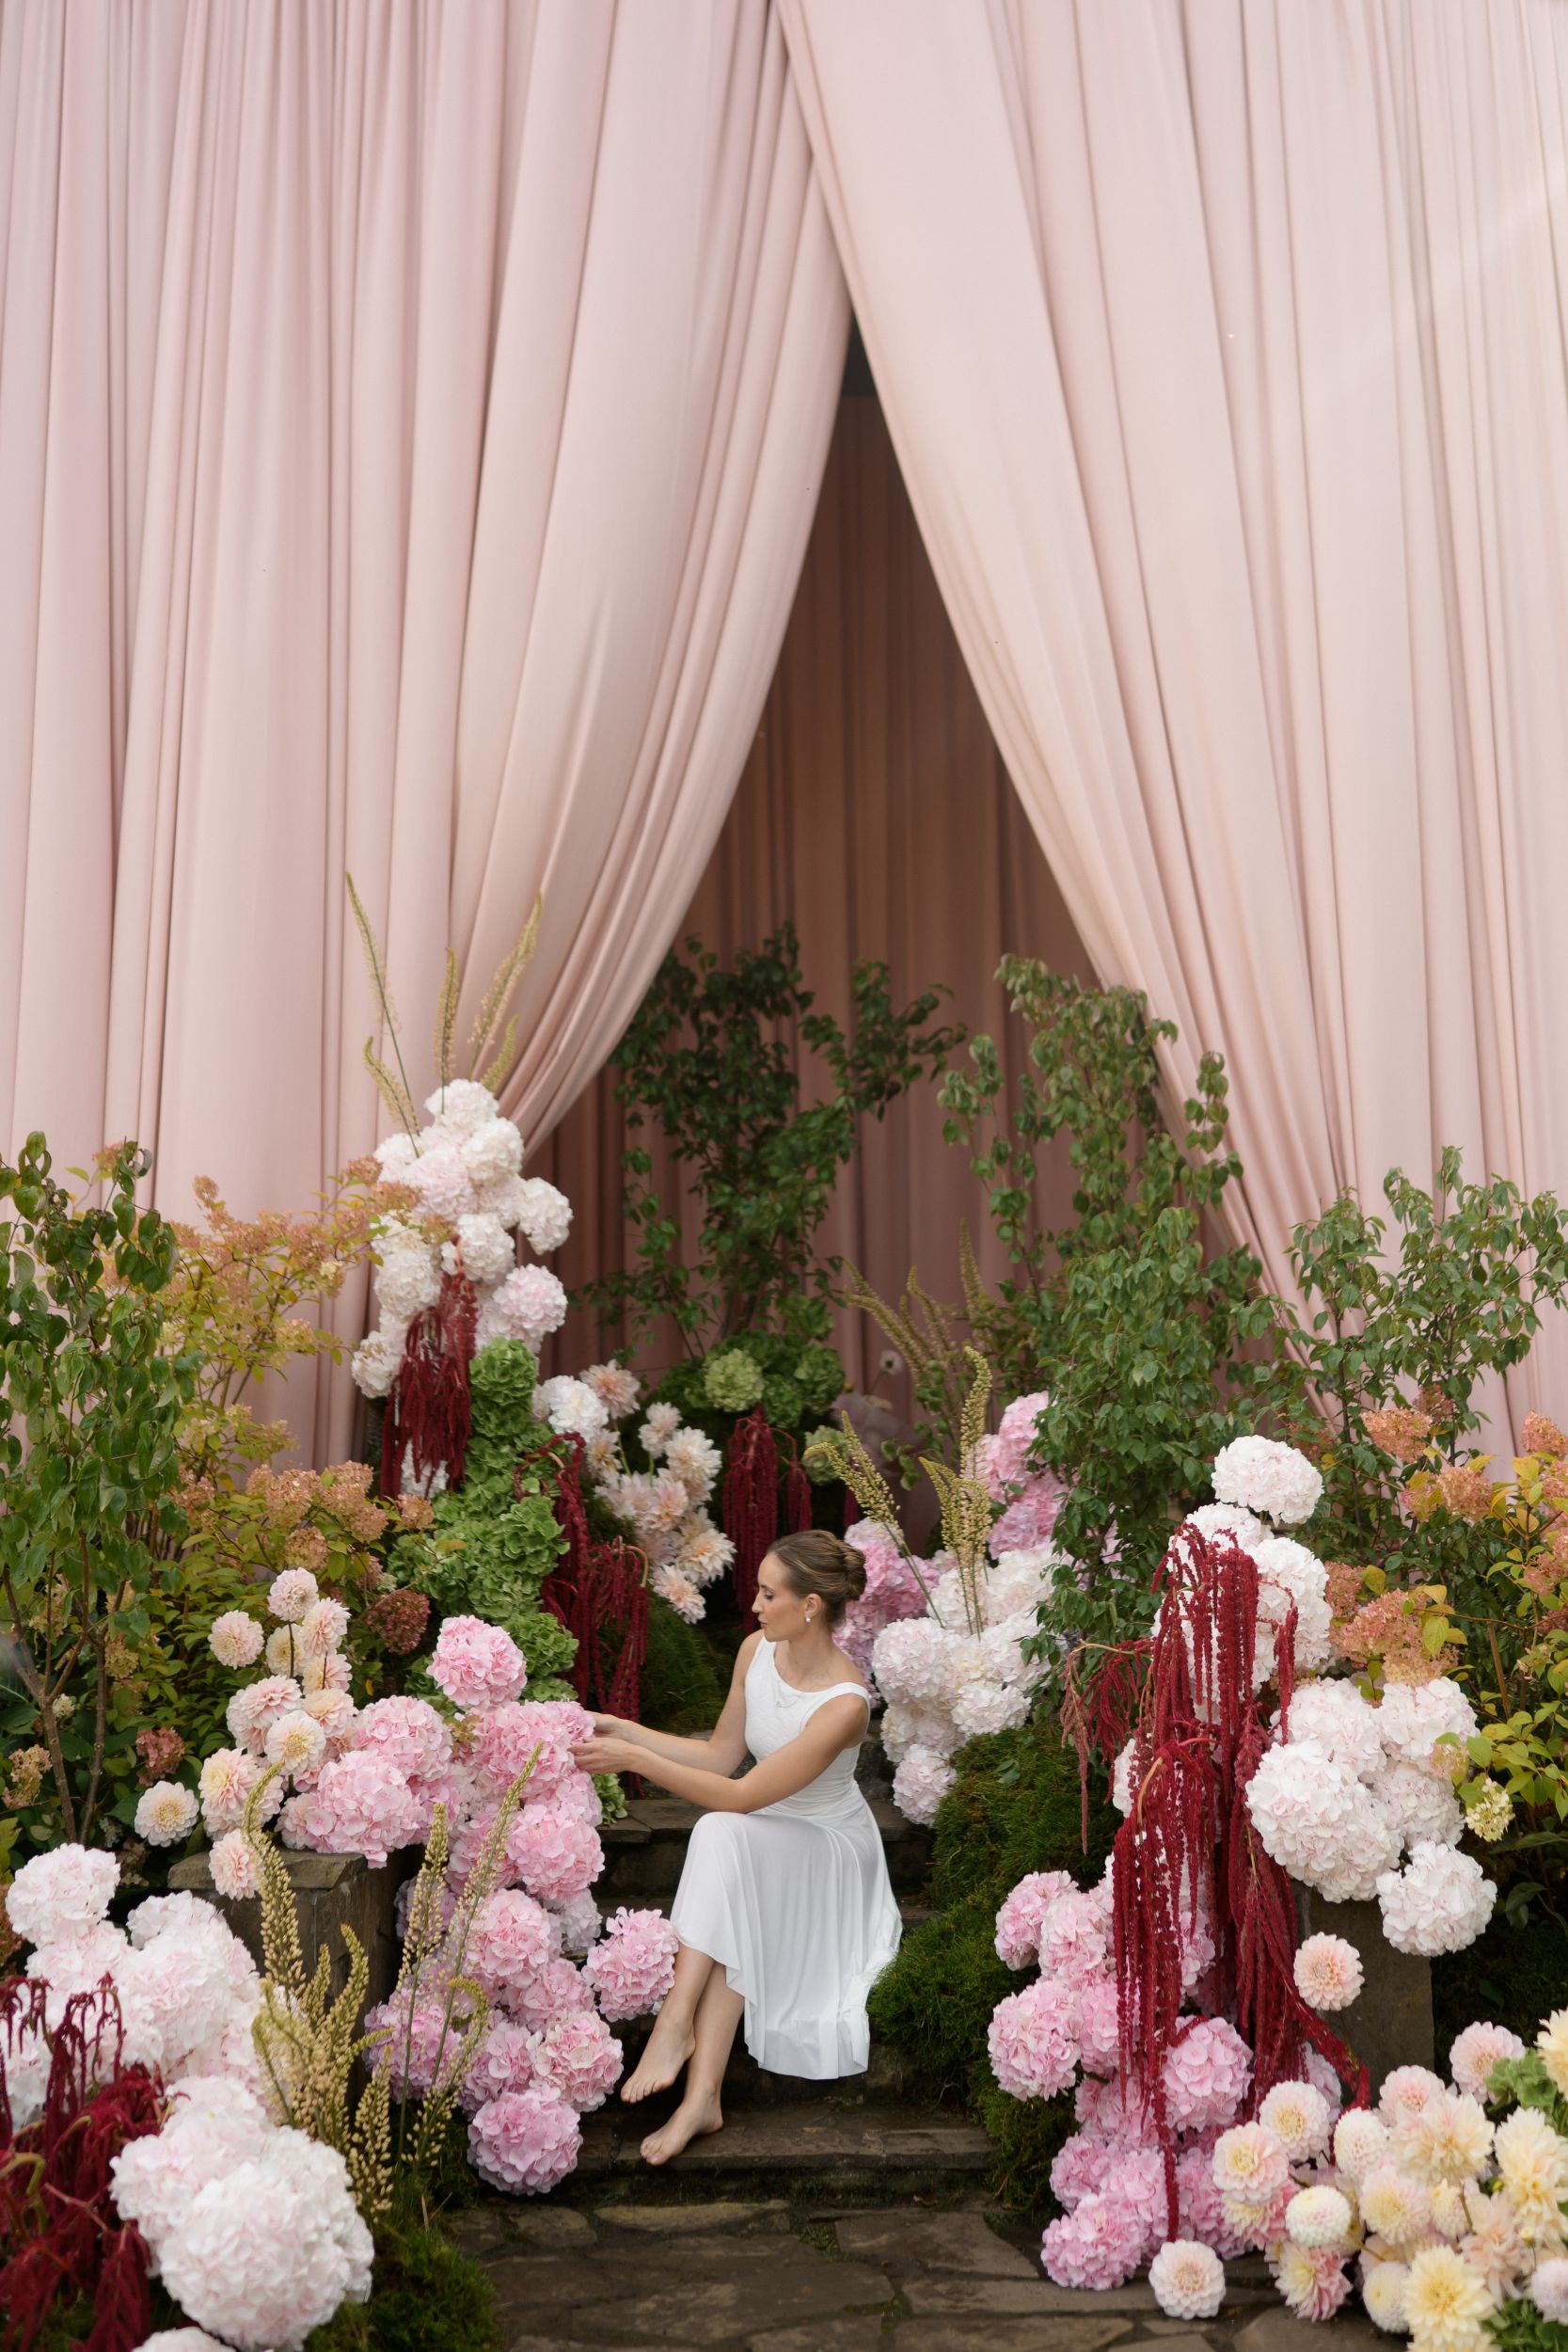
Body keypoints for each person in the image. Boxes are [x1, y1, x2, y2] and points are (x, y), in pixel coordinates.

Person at [570, 1528, 901, 2166]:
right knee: (729, 1854)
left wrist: (633, 1759)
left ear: (808, 1606)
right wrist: (623, 1730)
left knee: (722, 1832)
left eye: (766, 1593)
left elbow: (741, 1795)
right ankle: (701, 2099)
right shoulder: (755, 1650)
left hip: (827, 1847)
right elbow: (721, 1755)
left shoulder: (845, 1706)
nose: (752, 1604)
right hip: (761, 1831)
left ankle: (675, 2026)